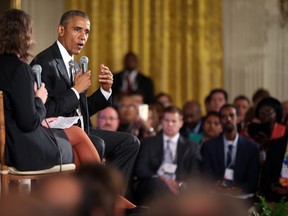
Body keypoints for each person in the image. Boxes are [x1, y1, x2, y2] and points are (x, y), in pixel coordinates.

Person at [31, 10, 140, 192]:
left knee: (130, 143)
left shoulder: (74, 62)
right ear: (61, 30)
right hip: (59, 135)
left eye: (87, 32)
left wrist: (105, 91)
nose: (83, 37)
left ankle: (112, 198)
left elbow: (83, 108)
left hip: (84, 129)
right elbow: (43, 110)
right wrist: (75, 90)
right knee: (98, 143)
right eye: (77, 30)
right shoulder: (44, 63)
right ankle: (98, 200)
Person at [0, 9, 100, 171]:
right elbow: (29, 123)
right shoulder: (20, 69)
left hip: (7, 144)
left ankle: (91, 190)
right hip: (22, 149)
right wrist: (39, 99)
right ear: (25, 35)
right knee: (78, 138)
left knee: (77, 135)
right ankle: (100, 189)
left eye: (86, 32)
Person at [132, 106, 201, 205]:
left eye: (173, 121)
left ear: (181, 123)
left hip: (179, 185)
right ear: (162, 121)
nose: (169, 124)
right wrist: (163, 180)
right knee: (157, 185)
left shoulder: (191, 146)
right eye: (166, 120)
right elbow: (140, 169)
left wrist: (180, 184)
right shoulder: (148, 142)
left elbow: (196, 174)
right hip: (154, 183)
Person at [201, 104, 260, 195]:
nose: (228, 119)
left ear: (238, 118)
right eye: (224, 117)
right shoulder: (209, 146)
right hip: (216, 196)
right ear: (220, 121)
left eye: (231, 115)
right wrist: (215, 186)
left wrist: (239, 190)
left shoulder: (251, 147)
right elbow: (206, 175)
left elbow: (252, 180)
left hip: (242, 198)